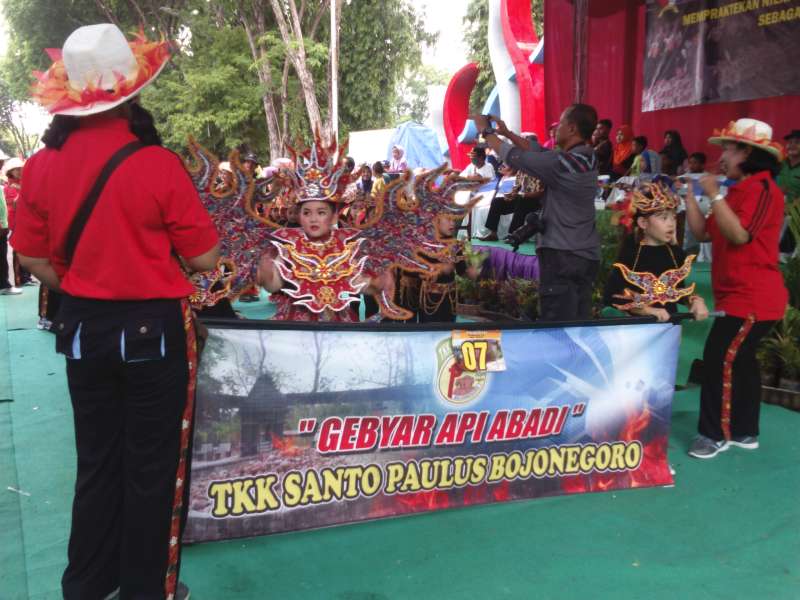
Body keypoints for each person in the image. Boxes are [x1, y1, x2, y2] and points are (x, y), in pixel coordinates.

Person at [12, 24, 220, 599]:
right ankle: (146, 591)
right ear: (131, 91)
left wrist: (80, 284)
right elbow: (204, 258)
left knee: (97, 460)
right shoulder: (157, 164)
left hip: (82, 331)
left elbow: (29, 254)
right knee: (152, 466)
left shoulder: (40, 166)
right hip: (154, 333)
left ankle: (85, 585)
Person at [683, 118, 788, 459]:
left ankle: (715, 435)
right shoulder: (739, 191)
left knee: (719, 359)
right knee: (739, 362)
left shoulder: (762, 190)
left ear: (747, 152)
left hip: (752, 298)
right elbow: (704, 234)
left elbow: (740, 235)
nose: (722, 156)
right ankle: (745, 431)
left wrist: (713, 193)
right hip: (741, 297)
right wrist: (690, 196)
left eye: (727, 148)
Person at [472, 105, 601, 321]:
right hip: (584, 255)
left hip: (562, 256)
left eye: (560, 124)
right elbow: (540, 151)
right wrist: (507, 133)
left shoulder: (562, 164)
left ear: (571, 128)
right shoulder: (584, 158)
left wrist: (486, 132)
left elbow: (513, 156)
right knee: (580, 323)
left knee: (558, 326)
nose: (555, 129)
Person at [604, 181, 708, 322]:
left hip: (669, 330)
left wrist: (695, 301)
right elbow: (613, 295)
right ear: (643, 223)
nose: (671, 223)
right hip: (638, 333)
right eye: (663, 217)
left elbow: (681, 290)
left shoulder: (676, 253)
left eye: (673, 217)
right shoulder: (631, 254)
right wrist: (646, 310)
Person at [478, 163, 545, 242]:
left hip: (535, 201)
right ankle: (493, 233)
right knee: (497, 202)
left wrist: (523, 195)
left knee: (521, 200)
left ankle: (514, 235)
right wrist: (511, 194)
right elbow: (516, 187)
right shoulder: (521, 171)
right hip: (521, 198)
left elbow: (541, 192)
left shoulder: (539, 172)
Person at [0, 152, 21, 295]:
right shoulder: (9, 186)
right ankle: (4, 284)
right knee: (2, 256)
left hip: (5, 223)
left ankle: (4, 283)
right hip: (4, 223)